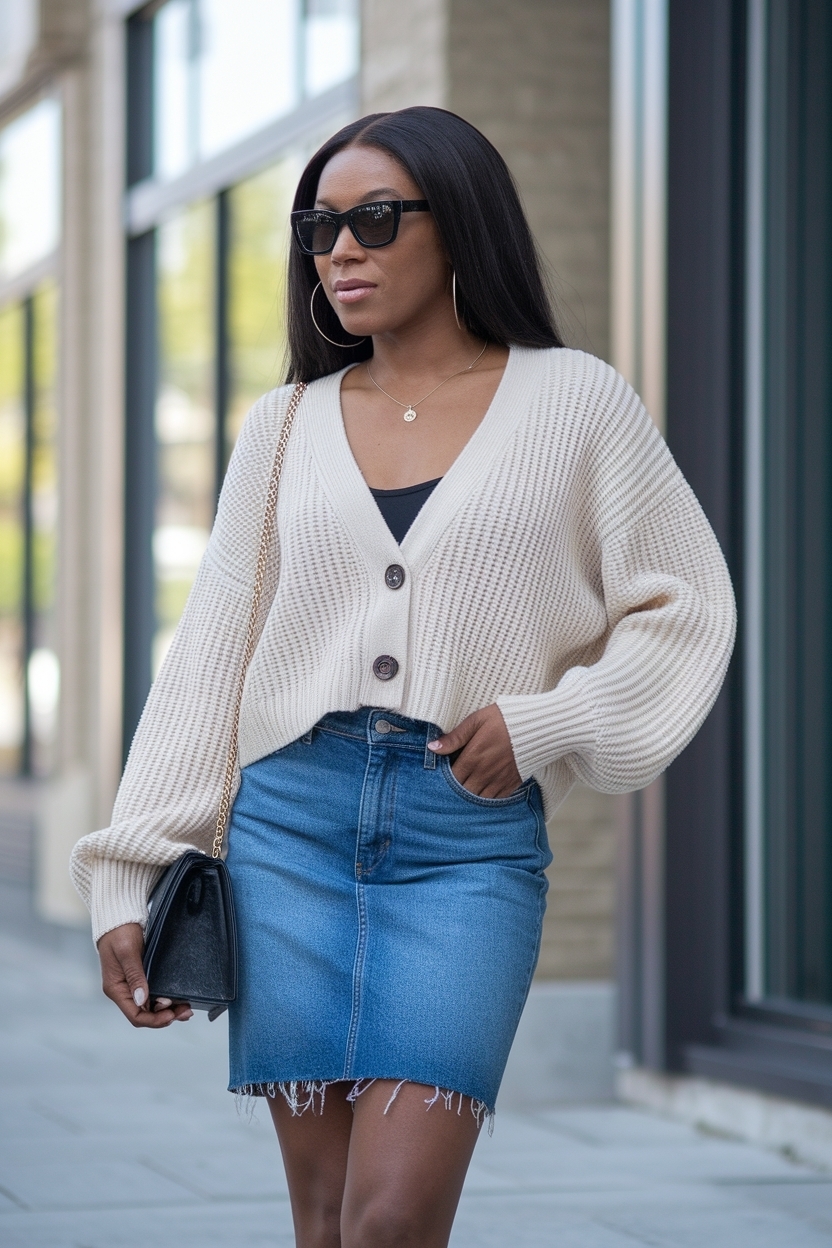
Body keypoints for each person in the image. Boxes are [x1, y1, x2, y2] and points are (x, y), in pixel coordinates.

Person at [71, 107, 735, 1248]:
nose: (341, 250)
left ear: (460, 223)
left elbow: (686, 604)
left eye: (375, 219)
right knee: (326, 1220)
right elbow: (213, 651)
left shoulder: (575, 402)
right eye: (319, 227)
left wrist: (548, 721)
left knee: (390, 1219)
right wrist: (126, 866)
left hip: (462, 845)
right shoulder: (283, 426)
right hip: (287, 832)